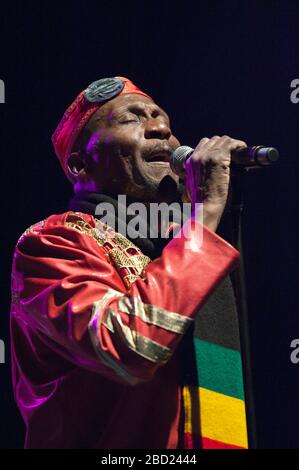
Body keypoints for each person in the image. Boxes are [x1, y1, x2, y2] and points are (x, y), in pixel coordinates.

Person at [10, 76, 248, 449]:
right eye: (131, 119)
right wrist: (203, 220)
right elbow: (129, 346)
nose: (161, 128)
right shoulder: (50, 245)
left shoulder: (176, 241)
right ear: (78, 164)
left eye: (159, 116)